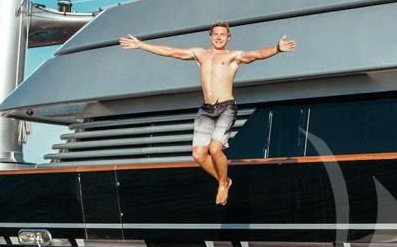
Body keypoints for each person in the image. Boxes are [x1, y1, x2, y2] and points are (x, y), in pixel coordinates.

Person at [119, 22, 296, 205]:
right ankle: (224, 180)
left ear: (228, 38)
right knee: (198, 154)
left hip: (226, 107)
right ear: (211, 36)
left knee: (214, 149)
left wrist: (277, 48)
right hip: (206, 109)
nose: (219, 37)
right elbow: (171, 51)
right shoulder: (200, 54)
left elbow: (257, 55)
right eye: (216, 34)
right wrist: (141, 45)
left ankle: (222, 184)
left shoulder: (233, 56)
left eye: (223, 35)